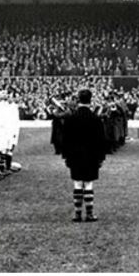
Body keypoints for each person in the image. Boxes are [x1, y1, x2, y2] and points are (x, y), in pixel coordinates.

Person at [61, 89, 107, 222]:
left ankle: (77, 214)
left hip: (74, 156)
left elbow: (65, 139)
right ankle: (89, 213)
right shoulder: (95, 119)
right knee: (88, 184)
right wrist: (101, 157)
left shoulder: (71, 118)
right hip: (91, 156)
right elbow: (101, 140)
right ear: (90, 100)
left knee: (77, 183)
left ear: (78, 100)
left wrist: (66, 156)